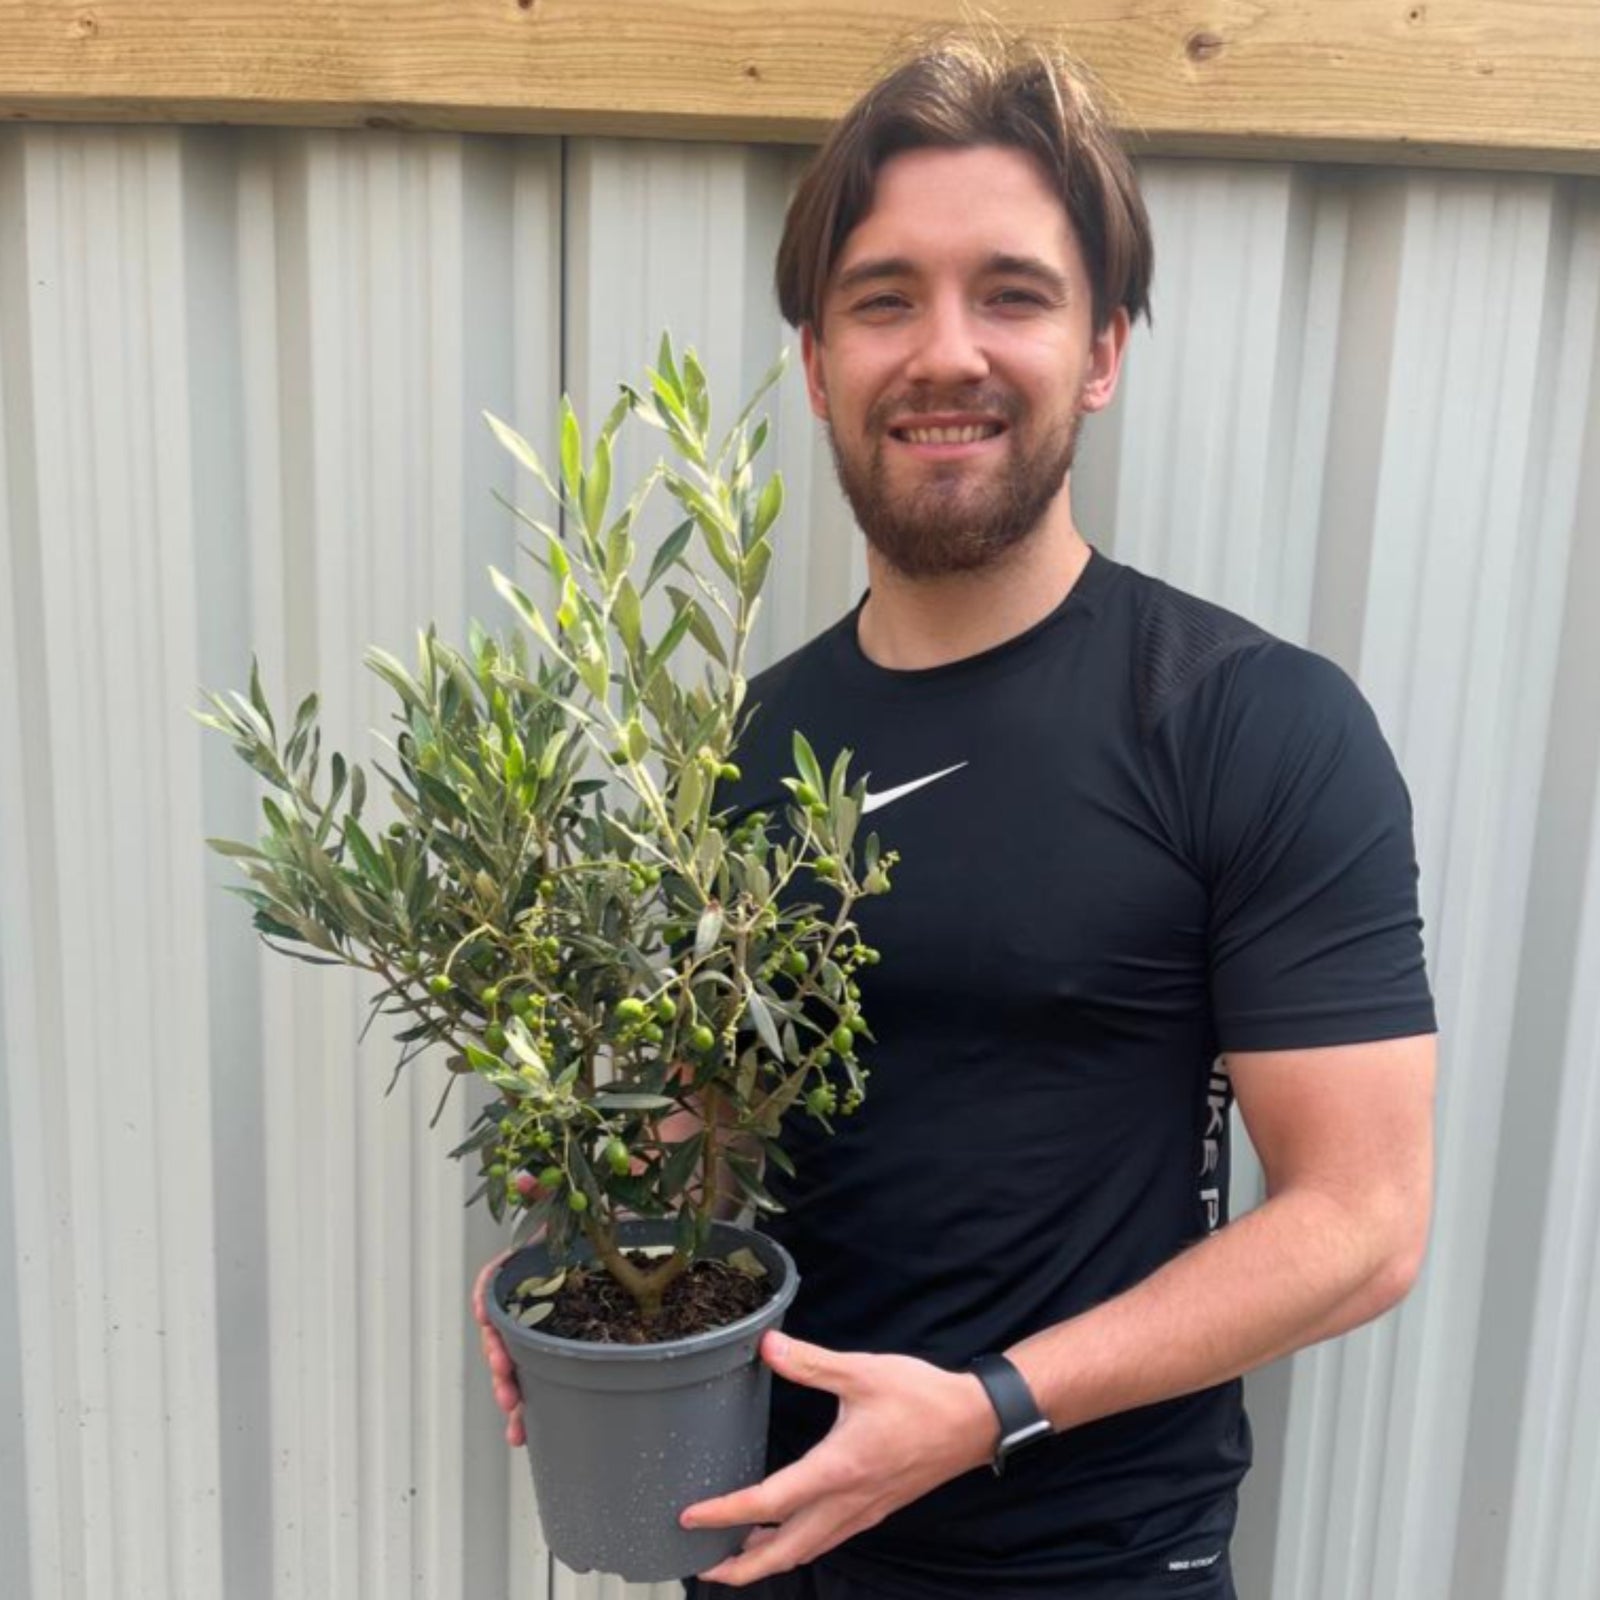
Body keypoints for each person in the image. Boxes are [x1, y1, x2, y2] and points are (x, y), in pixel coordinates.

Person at [476, 29, 1437, 1600]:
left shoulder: (1253, 724)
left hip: (1095, 1559)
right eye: (883, 299)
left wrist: (987, 1410)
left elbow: (1363, 1221)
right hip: (765, 1535)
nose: (946, 351)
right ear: (815, 363)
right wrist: (586, 1249)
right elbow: (731, 1124)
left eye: (1013, 292)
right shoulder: (747, 743)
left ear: (1104, 347)